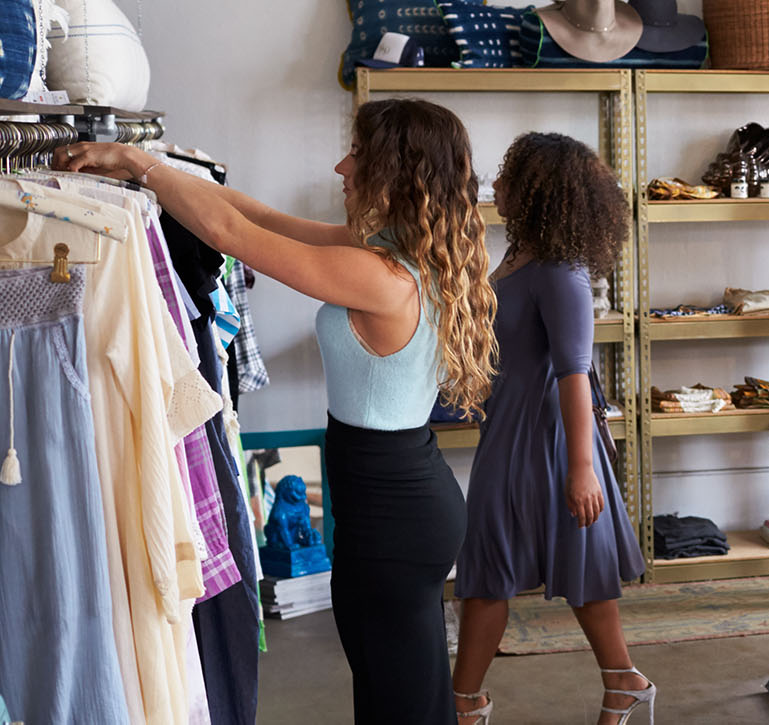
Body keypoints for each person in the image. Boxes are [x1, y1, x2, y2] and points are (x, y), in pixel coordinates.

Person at [60, 98, 498, 724]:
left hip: (393, 516)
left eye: (360, 155)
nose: (342, 167)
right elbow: (260, 217)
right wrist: (161, 168)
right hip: (398, 501)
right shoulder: (400, 254)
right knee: (397, 689)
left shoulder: (382, 276)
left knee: (399, 699)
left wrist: (138, 164)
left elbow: (230, 237)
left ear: (397, 170)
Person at [450, 133, 650, 725]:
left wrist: (583, 468)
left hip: (554, 440)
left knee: (539, 563)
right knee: (495, 562)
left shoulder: (561, 272)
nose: (497, 186)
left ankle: (464, 702)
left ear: (538, 190)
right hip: (510, 431)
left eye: (509, 176)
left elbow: (574, 372)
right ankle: (623, 683)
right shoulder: (518, 259)